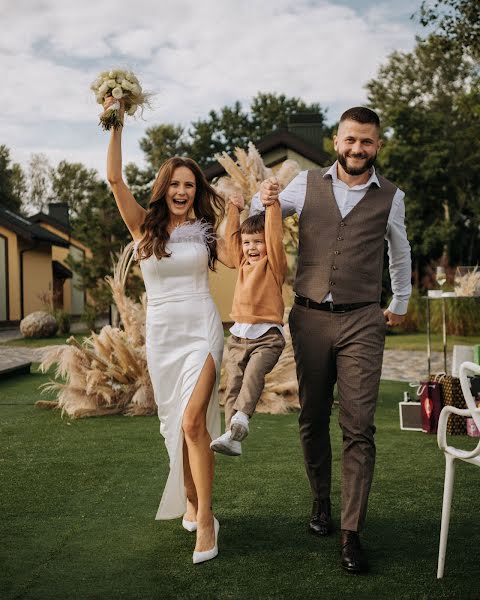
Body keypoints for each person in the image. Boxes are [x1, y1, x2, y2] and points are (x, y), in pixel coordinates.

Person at [251, 107, 412, 574]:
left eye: (367, 141)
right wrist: (262, 199)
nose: (357, 149)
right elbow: (260, 216)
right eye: (350, 140)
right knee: (313, 415)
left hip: (363, 318)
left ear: (377, 145)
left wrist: (399, 301)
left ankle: (351, 531)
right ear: (336, 142)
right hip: (309, 318)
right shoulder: (305, 184)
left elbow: (400, 251)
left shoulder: (391, 198)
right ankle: (320, 501)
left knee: (359, 426)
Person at [104, 97, 233, 564]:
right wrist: (115, 119)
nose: (182, 190)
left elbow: (240, 254)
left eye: (189, 184)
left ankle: (205, 522)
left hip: (201, 327)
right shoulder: (143, 228)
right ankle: (192, 498)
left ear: (196, 190)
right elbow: (115, 179)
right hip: (162, 337)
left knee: (195, 420)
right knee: (176, 430)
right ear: (164, 188)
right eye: (175, 183)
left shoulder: (207, 227)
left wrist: (246, 210)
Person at [210, 191, 287, 456]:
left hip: (267, 337)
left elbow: (274, 235)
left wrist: (272, 204)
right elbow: (232, 240)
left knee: (253, 375)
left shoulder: (274, 264)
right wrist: (234, 208)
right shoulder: (242, 262)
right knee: (233, 383)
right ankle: (232, 437)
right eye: (247, 243)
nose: (251, 248)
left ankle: (242, 416)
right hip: (239, 336)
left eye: (257, 242)